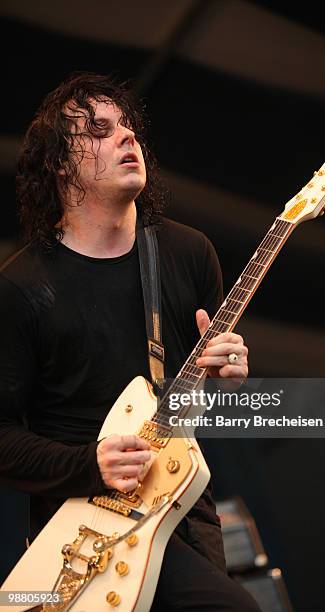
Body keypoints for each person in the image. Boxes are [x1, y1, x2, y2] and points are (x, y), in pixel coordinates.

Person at [0, 72, 259, 611]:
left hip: (184, 510)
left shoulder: (189, 253)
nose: (126, 137)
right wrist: (89, 463)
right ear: (59, 165)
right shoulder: (21, 287)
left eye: (127, 126)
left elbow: (191, 409)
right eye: (97, 130)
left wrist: (225, 376)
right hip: (83, 535)